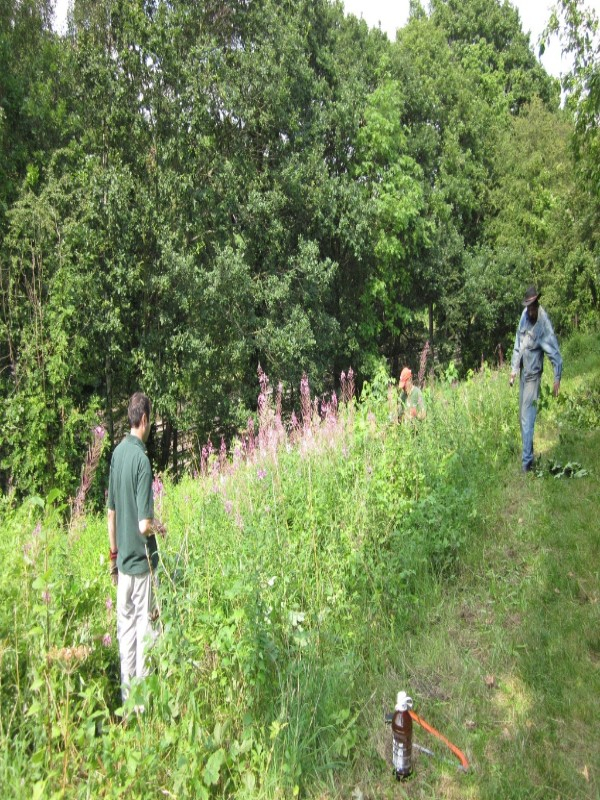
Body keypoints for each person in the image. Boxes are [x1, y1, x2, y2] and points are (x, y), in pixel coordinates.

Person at [107, 392, 165, 703]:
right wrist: (160, 526)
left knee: (125, 635)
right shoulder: (142, 460)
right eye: (150, 421)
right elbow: (144, 524)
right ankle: (143, 708)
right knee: (145, 634)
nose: (151, 426)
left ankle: (128, 702)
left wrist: (113, 559)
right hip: (142, 566)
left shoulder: (117, 455)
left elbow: (111, 514)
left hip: (123, 567)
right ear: (142, 419)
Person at [510, 285, 562, 472]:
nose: (530, 310)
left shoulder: (543, 323)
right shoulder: (524, 316)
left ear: (537, 304)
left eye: (532, 307)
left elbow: (554, 349)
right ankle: (529, 456)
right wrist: (514, 369)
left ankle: (526, 464)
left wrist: (557, 376)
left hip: (533, 376)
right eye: (528, 307)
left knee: (527, 418)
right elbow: (518, 344)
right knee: (522, 417)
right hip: (524, 373)